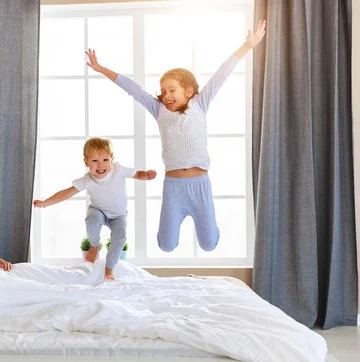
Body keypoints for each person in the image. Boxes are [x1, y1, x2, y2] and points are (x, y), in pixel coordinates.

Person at [84, 20, 266, 253]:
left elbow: (222, 74)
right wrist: (101, 69)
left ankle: (210, 227)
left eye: (172, 90)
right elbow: (132, 88)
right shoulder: (159, 110)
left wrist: (247, 46)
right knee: (166, 245)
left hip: (200, 185)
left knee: (209, 245)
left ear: (189, 92)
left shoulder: (200, 103)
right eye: (163, 91)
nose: (166, 95)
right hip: (174, 188)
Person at [33, 137, 156, 280]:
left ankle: (109, 269)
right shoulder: (87, 179)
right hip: (98, 210)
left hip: (119, 215)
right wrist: (45, 202)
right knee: (92, 219)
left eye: (105, 160)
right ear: (86, 162)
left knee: (120, 236)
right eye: (94, 161)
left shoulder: (119, 170)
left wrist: (146, 175)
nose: (100, 165)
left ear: (112, 158)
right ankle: (94, 245)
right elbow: (67, 193)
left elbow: (137, 174)